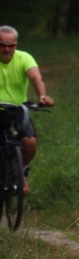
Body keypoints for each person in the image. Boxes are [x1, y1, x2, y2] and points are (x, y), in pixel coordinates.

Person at [0, 26, 54, 193]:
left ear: (16, 45)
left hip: (17, 110)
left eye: (11, 45)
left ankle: (21, 171)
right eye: (2, 45)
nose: (7, 49)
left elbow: (36, 78)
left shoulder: (24, 58)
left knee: (30, 143)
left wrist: (42, 96)